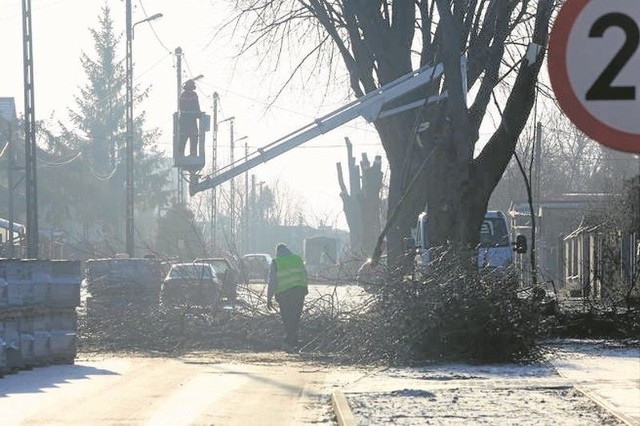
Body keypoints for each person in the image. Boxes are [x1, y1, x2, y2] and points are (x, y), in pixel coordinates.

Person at [267, 243, 308, 352]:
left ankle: (289, 343)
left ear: (277, 252)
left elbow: (272, 282)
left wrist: (269, 298)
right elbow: (304, 274)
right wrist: (305, 288)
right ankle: (292, 342)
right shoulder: (297, 259)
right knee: (295, 318)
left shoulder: (276, 262)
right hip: (299, 292)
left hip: (284, 294)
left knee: (287, 318)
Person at [178, 79, 201, 157]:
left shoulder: (190, 95)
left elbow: (196, 106)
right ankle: (181, 153)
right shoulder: (184, 96)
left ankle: (192, 153)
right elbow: (183, 107)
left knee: (193, 137)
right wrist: (197, 113)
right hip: (187, 120)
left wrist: (198, 113)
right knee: (184, 137)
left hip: (189, 120)